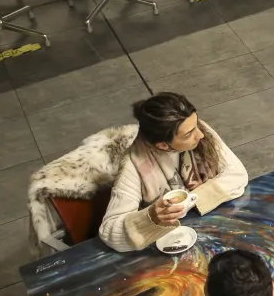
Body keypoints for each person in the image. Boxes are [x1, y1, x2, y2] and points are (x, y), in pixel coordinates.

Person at [99, 93, 248, 252]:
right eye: (188, 134)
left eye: (196, 124)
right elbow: (109, 232)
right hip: (172, 242)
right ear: (163, 146)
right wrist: (151, 218)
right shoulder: (135, 164)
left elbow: (237, 174)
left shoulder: (197, 130)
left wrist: (189, 202)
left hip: (210, 226)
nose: (201, 134)